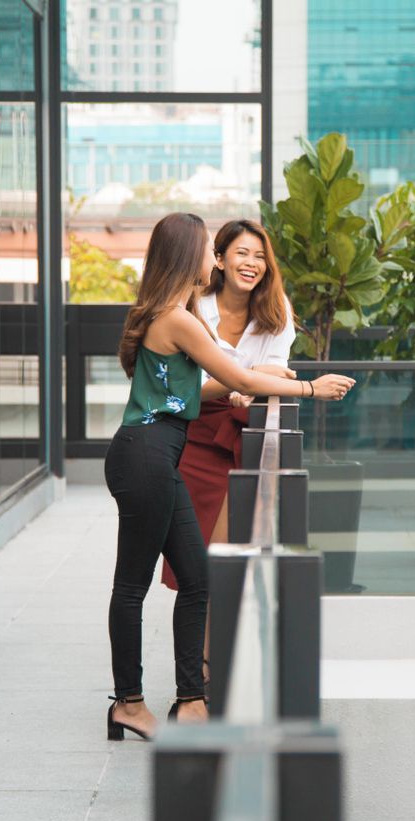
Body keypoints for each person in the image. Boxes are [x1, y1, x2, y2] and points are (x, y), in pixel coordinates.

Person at [105, 212, 354, 742]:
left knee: (197, 580)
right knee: (133, 585)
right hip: (146, 456)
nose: (212, 258)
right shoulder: (180, 318)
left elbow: (202, 390)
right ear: (189, 256)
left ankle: (191, 702)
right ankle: (128, 703)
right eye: (205, 248)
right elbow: (236, 375)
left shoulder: (174, 315)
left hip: (153, 454)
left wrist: (265, 378)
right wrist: (312, 388)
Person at [159, 220, 295, 690]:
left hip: (245, 440)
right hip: (195, 439)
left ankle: (210, 665)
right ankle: (194, 670)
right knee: (194, 561)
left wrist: (252, 381)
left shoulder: (276, 311)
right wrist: (244, 380)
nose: (251, 264)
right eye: (241, 253)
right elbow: (191, 386)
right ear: (218, 259)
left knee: (229, 557)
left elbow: (275, 370)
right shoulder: (194, 310)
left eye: (259, 256)